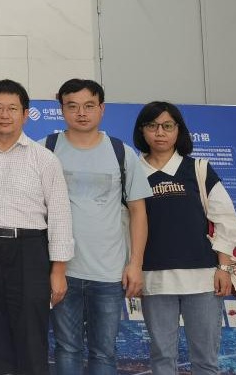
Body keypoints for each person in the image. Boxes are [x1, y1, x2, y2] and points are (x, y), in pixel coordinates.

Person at [45, 79, 152, 375]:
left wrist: (135, 264)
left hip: (109, 273)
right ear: (62, 109)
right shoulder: (46, 149)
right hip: (62, 270)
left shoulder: (121, 153)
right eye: (72, 106)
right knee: (66, 348)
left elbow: (138, 212)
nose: (81, 113)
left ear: (102, 109)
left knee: (104, 352)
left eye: (89, 106)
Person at [0, 79, 73, 375]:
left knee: (31, 335)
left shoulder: (44, 159)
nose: (4, 115)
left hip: (30, 251)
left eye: (12, 109)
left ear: (25, 114)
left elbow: (60, 215)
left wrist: (58, 270)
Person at [133, 101, 236, 375]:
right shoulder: (133, 172)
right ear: (142, 130)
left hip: (203, 279)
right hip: (154, 280)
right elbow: (126, 226)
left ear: (178, 130)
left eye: (167, 126)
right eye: (152, 125)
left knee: (205, 360)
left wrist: (224, 268)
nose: (160, 132)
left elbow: (226, 219)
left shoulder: (199, 169)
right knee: (162, 358)